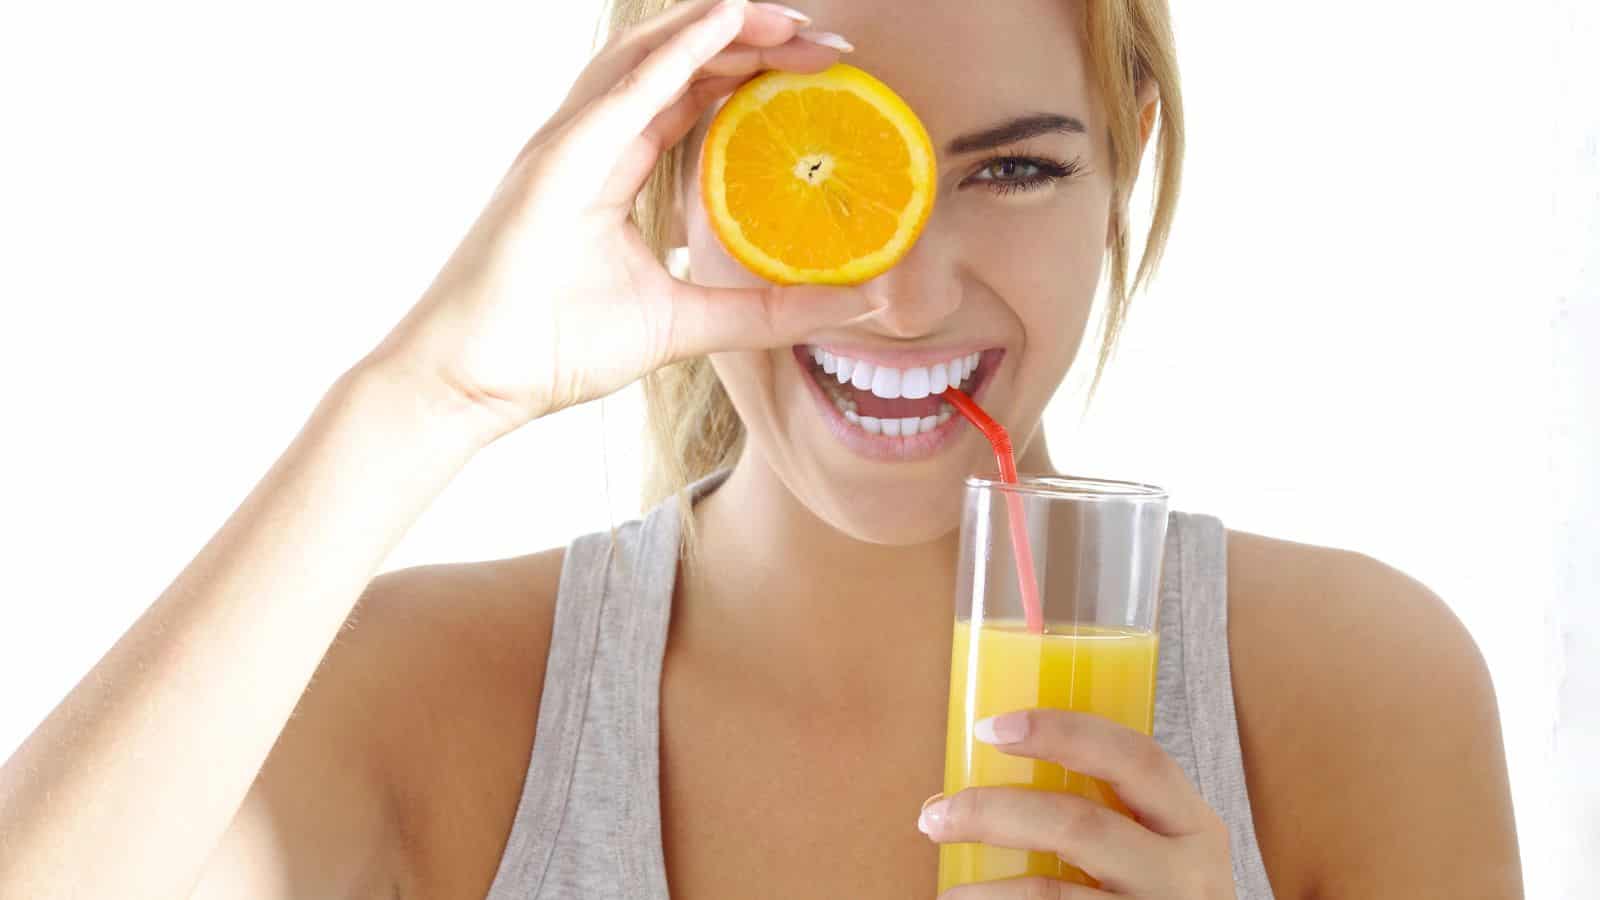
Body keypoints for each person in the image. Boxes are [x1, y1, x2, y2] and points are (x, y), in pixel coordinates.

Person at [0, 1, 1523, 897]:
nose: (907, 291)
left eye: (1011, 169)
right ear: (669, 165)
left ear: (1123, 155)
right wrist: (428, 391)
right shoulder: (424, 700)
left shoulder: (1354, 689)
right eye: (826, 169)